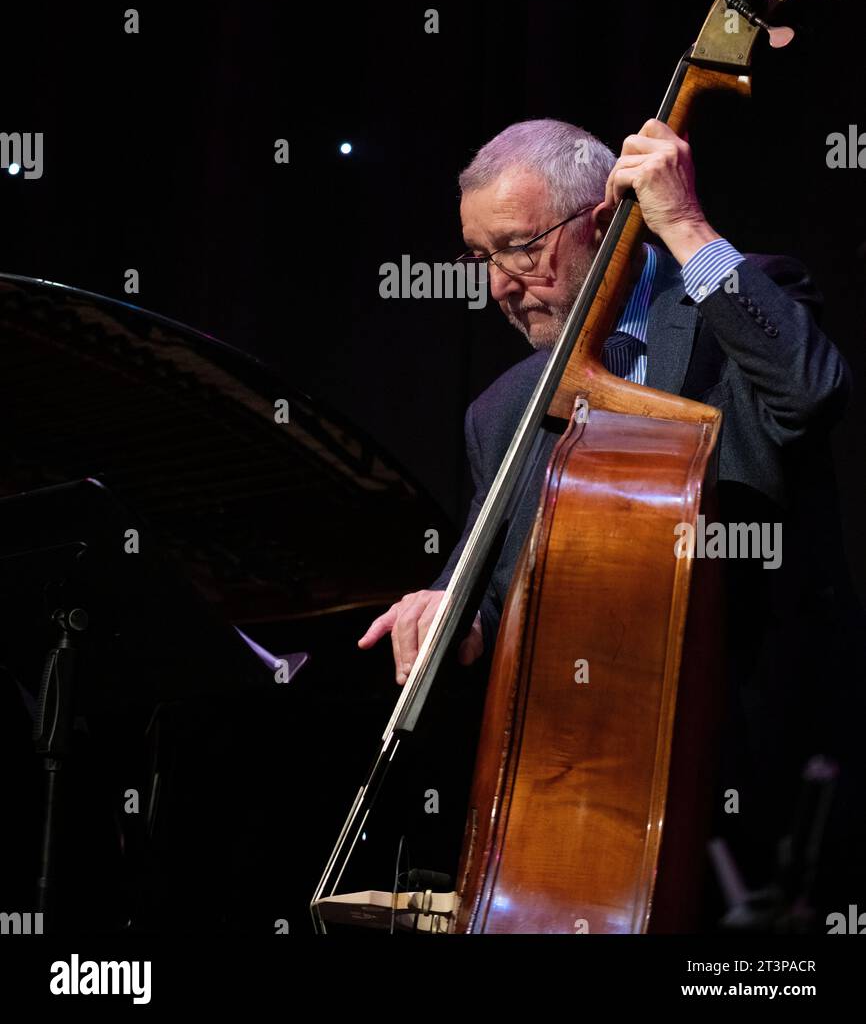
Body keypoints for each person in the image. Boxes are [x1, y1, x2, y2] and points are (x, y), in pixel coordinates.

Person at [358, 116, 860, 902]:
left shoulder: (742, 307)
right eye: (480, 257)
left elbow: (811, 389)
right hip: (598, 805)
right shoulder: (502, 412)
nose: (498, 285)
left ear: (603, 220)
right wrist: (452, 619)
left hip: (774, 783)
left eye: (520, 247)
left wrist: (684, 225)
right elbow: (492, 593)